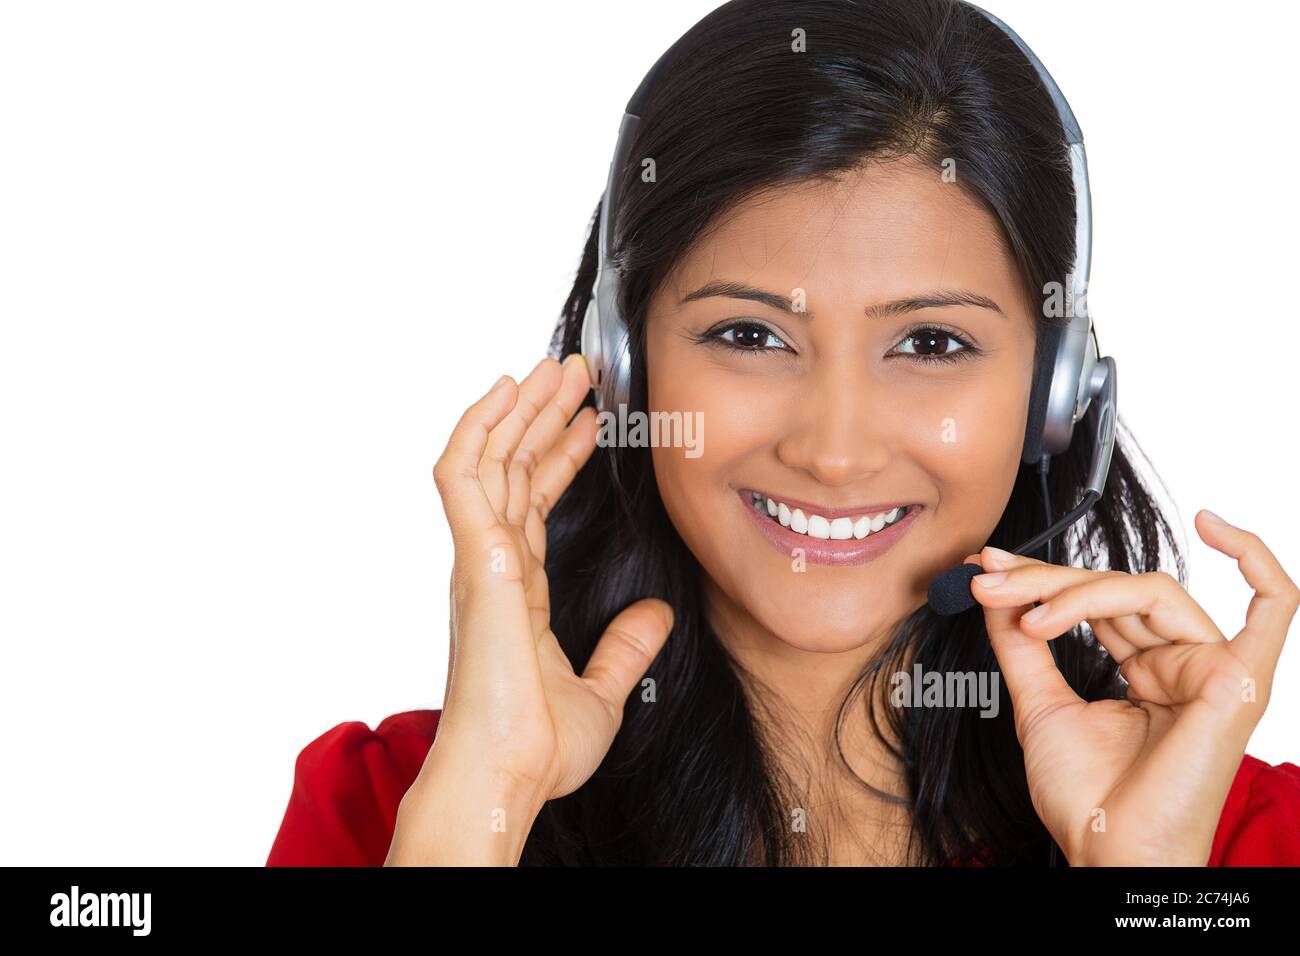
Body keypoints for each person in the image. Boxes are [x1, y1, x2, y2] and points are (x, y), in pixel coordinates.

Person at [268, 0, 1300, 866]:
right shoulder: (404, 805)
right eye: (749, 333)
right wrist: (484, 799)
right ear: (622, 368)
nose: (834, 449)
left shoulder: (1231, 827)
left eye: (931, 342)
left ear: (1055, 392)